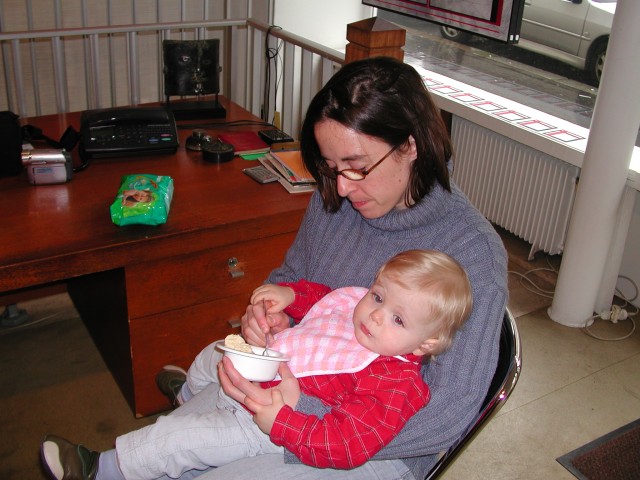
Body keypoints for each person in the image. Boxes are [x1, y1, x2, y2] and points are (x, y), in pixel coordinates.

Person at [42, 55, 508, 480]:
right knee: (168, 449)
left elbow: (447, 416)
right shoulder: (337, 195)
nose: (342, 188)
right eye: (330, 167)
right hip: (296, 377)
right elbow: (290, 279)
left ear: (410, 145)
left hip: (373, 444)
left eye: (357, 166)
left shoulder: (472, 253)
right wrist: (269, 315)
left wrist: (302, 416)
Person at [41, 249, 473, 479]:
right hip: (272, 366)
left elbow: (347, 444)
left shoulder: (396, 384)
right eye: (377, 296)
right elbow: (325, 300)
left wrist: (281, 422)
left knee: (182, 440)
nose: (375, 315)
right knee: (214, 354)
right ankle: (187, 393)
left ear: (427, 343)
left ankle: (101, 468)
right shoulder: (358, 308)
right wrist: (290, 296)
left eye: (398, 319)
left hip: (270, 423)